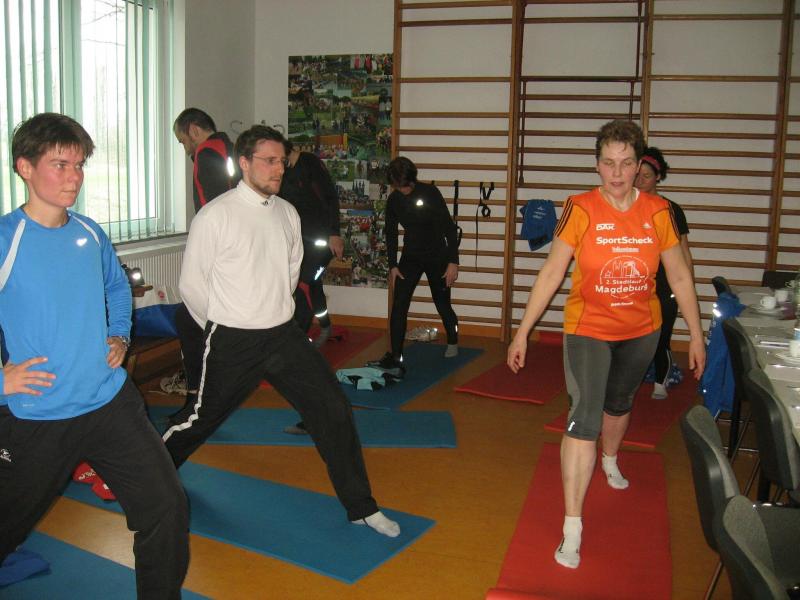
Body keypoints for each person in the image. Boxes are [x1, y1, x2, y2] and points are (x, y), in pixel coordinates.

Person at [161, 124, 400, 538]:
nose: (278, 169)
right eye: (268, 161)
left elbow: (291, 271)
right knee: (200, 419)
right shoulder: (215, 216)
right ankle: (147, 481)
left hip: (282, 335)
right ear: (244, 163)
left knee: (332, 410)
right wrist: (221, 325)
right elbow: (192, 285)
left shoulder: (287, 212)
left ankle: (361, 507)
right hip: (233, 337)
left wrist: (273, 309)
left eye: (281, 161)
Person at [0, 113, 189, 597]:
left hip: (109, 402)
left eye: (79, 165)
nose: (74, 178)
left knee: (165, 507)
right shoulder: (5, 240)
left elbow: (117, 286)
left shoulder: (89, 231)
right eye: (60, 165)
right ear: (25, 167)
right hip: (38, 413)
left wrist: (120, 335)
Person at [507, 120, 705, 570]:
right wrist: (522, 331)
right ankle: (572, 526)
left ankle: (611, 458)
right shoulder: (579, 207)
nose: (617, 173)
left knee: (619, 404)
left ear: (639, 166)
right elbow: (552, 272)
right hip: (588, 329)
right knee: (584, 418)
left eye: (626, 163)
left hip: (641, 329)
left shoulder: (659, 211)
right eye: (609, 163)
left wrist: (696, 335)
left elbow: (679, 276)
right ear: (597, 165)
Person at [161, 108, 240, 399]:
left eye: (183, 141)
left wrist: (212, 256)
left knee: (188, 319)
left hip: (221, 253)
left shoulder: (206, 154)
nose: (185, 148)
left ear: (194, 130)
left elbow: (214, 209)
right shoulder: (230, 149)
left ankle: (197, 391)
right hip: (236, 249)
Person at [368, 157, 460, 378]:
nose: (403, 190)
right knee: (399, 304)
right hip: (410, 257)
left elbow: (449, 228)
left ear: (412, 179)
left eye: (405, 186)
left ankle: (453, 339)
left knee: (442, 303)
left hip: (437, 255)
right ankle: (396, 356)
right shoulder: (394, 200)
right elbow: (391, 233)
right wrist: (393, 265)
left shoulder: (430, 193)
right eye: (398, 187)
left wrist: (453, 262)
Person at [635, 146, 694, 399]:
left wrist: (687, 287)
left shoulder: (671, 209)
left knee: (661, 336)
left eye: (646, 176)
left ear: (658, 176)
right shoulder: (626, 207)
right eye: (637, 175)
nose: (640, 181)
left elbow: (684, 253)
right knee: (633, 338)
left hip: (665, 284)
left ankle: (661, 381)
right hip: (635, 283)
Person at [279, 140, 344, 346]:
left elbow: (330, 197)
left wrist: (334, 233)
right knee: (312, 285)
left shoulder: (310, 163)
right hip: (301, 241)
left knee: (304, 285)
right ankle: (325, 326)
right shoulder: (283, 172)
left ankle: (298, 341)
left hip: (324, 242)